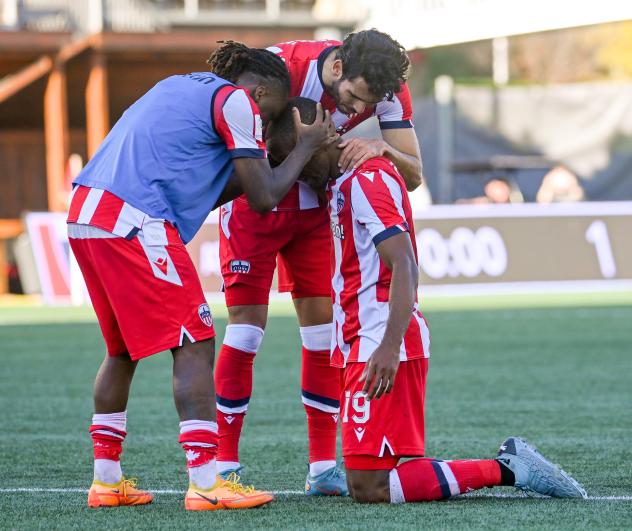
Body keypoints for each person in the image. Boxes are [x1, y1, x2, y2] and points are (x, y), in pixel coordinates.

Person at [265, 97, 587, 504]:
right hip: (362, 338)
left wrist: (388, 345)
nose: (289, 172)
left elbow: (404, 263)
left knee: (370, 487)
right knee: (383, 475)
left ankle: (506, 468)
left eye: (287, 157)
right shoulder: (345, 180)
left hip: (379, 338)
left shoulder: (365, 178)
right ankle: (501, 467)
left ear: (318, 138)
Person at [66, 42, 335, 511]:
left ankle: (106, 480)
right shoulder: (237, 101)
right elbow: (265, 199)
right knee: (195, 341)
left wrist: (267, 155)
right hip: (135, 218)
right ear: (263, 90)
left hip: (87, 211)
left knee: (122, 350)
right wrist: (306, 146)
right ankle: (207, 483)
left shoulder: (179, 85)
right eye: (273, 111)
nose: (269, 121)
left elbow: (211, 186)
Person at [215, 29, 423, 496]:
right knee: (245, 333)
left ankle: (322, 467)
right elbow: (221, 121)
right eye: (352, 97)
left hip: (315, 208)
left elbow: (415, 174)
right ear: (335, 70)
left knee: (323, 336)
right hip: (255, 202)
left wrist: (384, 148)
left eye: (363, 105)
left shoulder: (387, 89)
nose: (354, 112)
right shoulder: (280, 67)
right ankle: (223, 466)